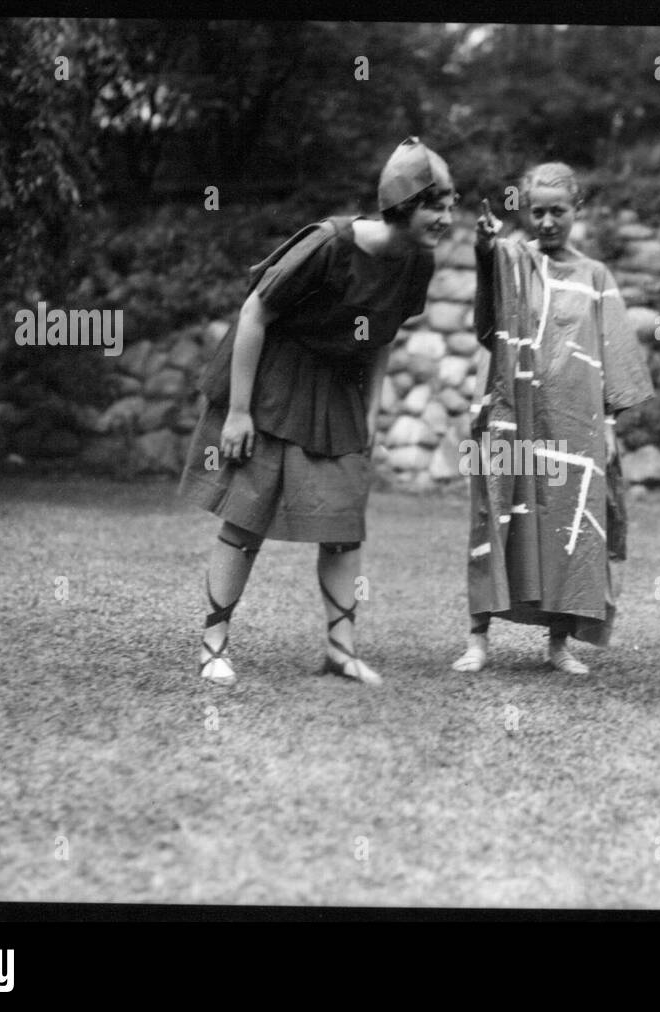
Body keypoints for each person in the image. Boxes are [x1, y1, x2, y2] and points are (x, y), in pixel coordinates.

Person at [180, 137, 455, 688]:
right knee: (247, 515)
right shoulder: (329, 242)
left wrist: (371, 416)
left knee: (343, 521)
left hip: (338, 391)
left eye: (451, 203)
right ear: (402, 205)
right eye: (436, 204)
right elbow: (255, 313)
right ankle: (213, 645)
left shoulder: (415, 264)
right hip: (273, 381)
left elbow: (380, 340)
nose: (447, 217)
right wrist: (238, 413)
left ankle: (340, 650)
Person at [452, 163, 654, 675]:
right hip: (507, 415)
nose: (546, 221)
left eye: (557, 211)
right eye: (536, 211)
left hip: (571, 426)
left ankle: (558, 644)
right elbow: (488, 321)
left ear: (576, 210)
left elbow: (613, 355)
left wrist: (607, 426)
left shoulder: (596, 276)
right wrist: (482, 249)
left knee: (568, 525)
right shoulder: (511, 261)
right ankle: (478, 639)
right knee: (494, 514)